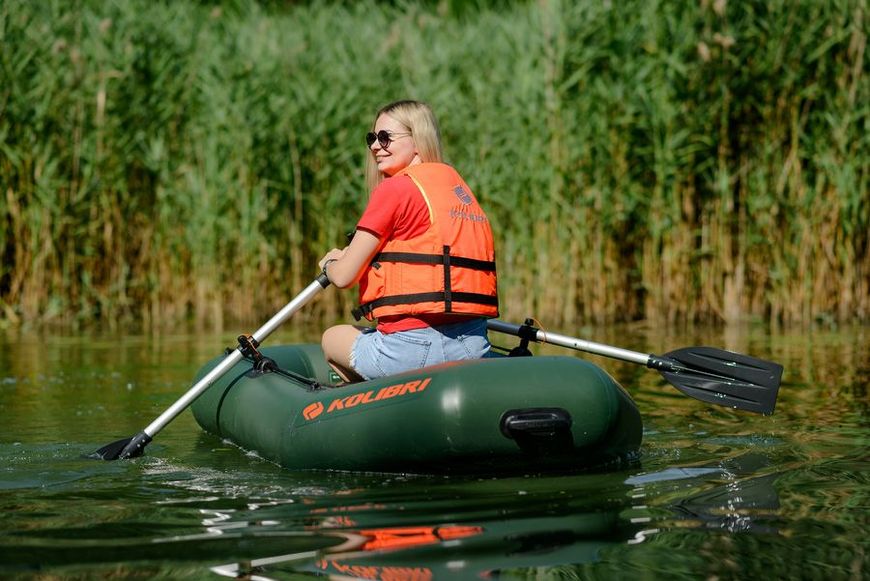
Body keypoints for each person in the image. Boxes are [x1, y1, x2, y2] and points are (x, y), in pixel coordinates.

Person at [317, 100, 499, 382]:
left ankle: (373, 411)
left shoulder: (395, 189)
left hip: (411, 351)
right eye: (372, 138)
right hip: (472, 346)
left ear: (418, 140)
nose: (376, 146)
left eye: (385, 137)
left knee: (332, 337)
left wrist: (330, 262)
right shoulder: (458, 190)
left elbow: (343, 277)